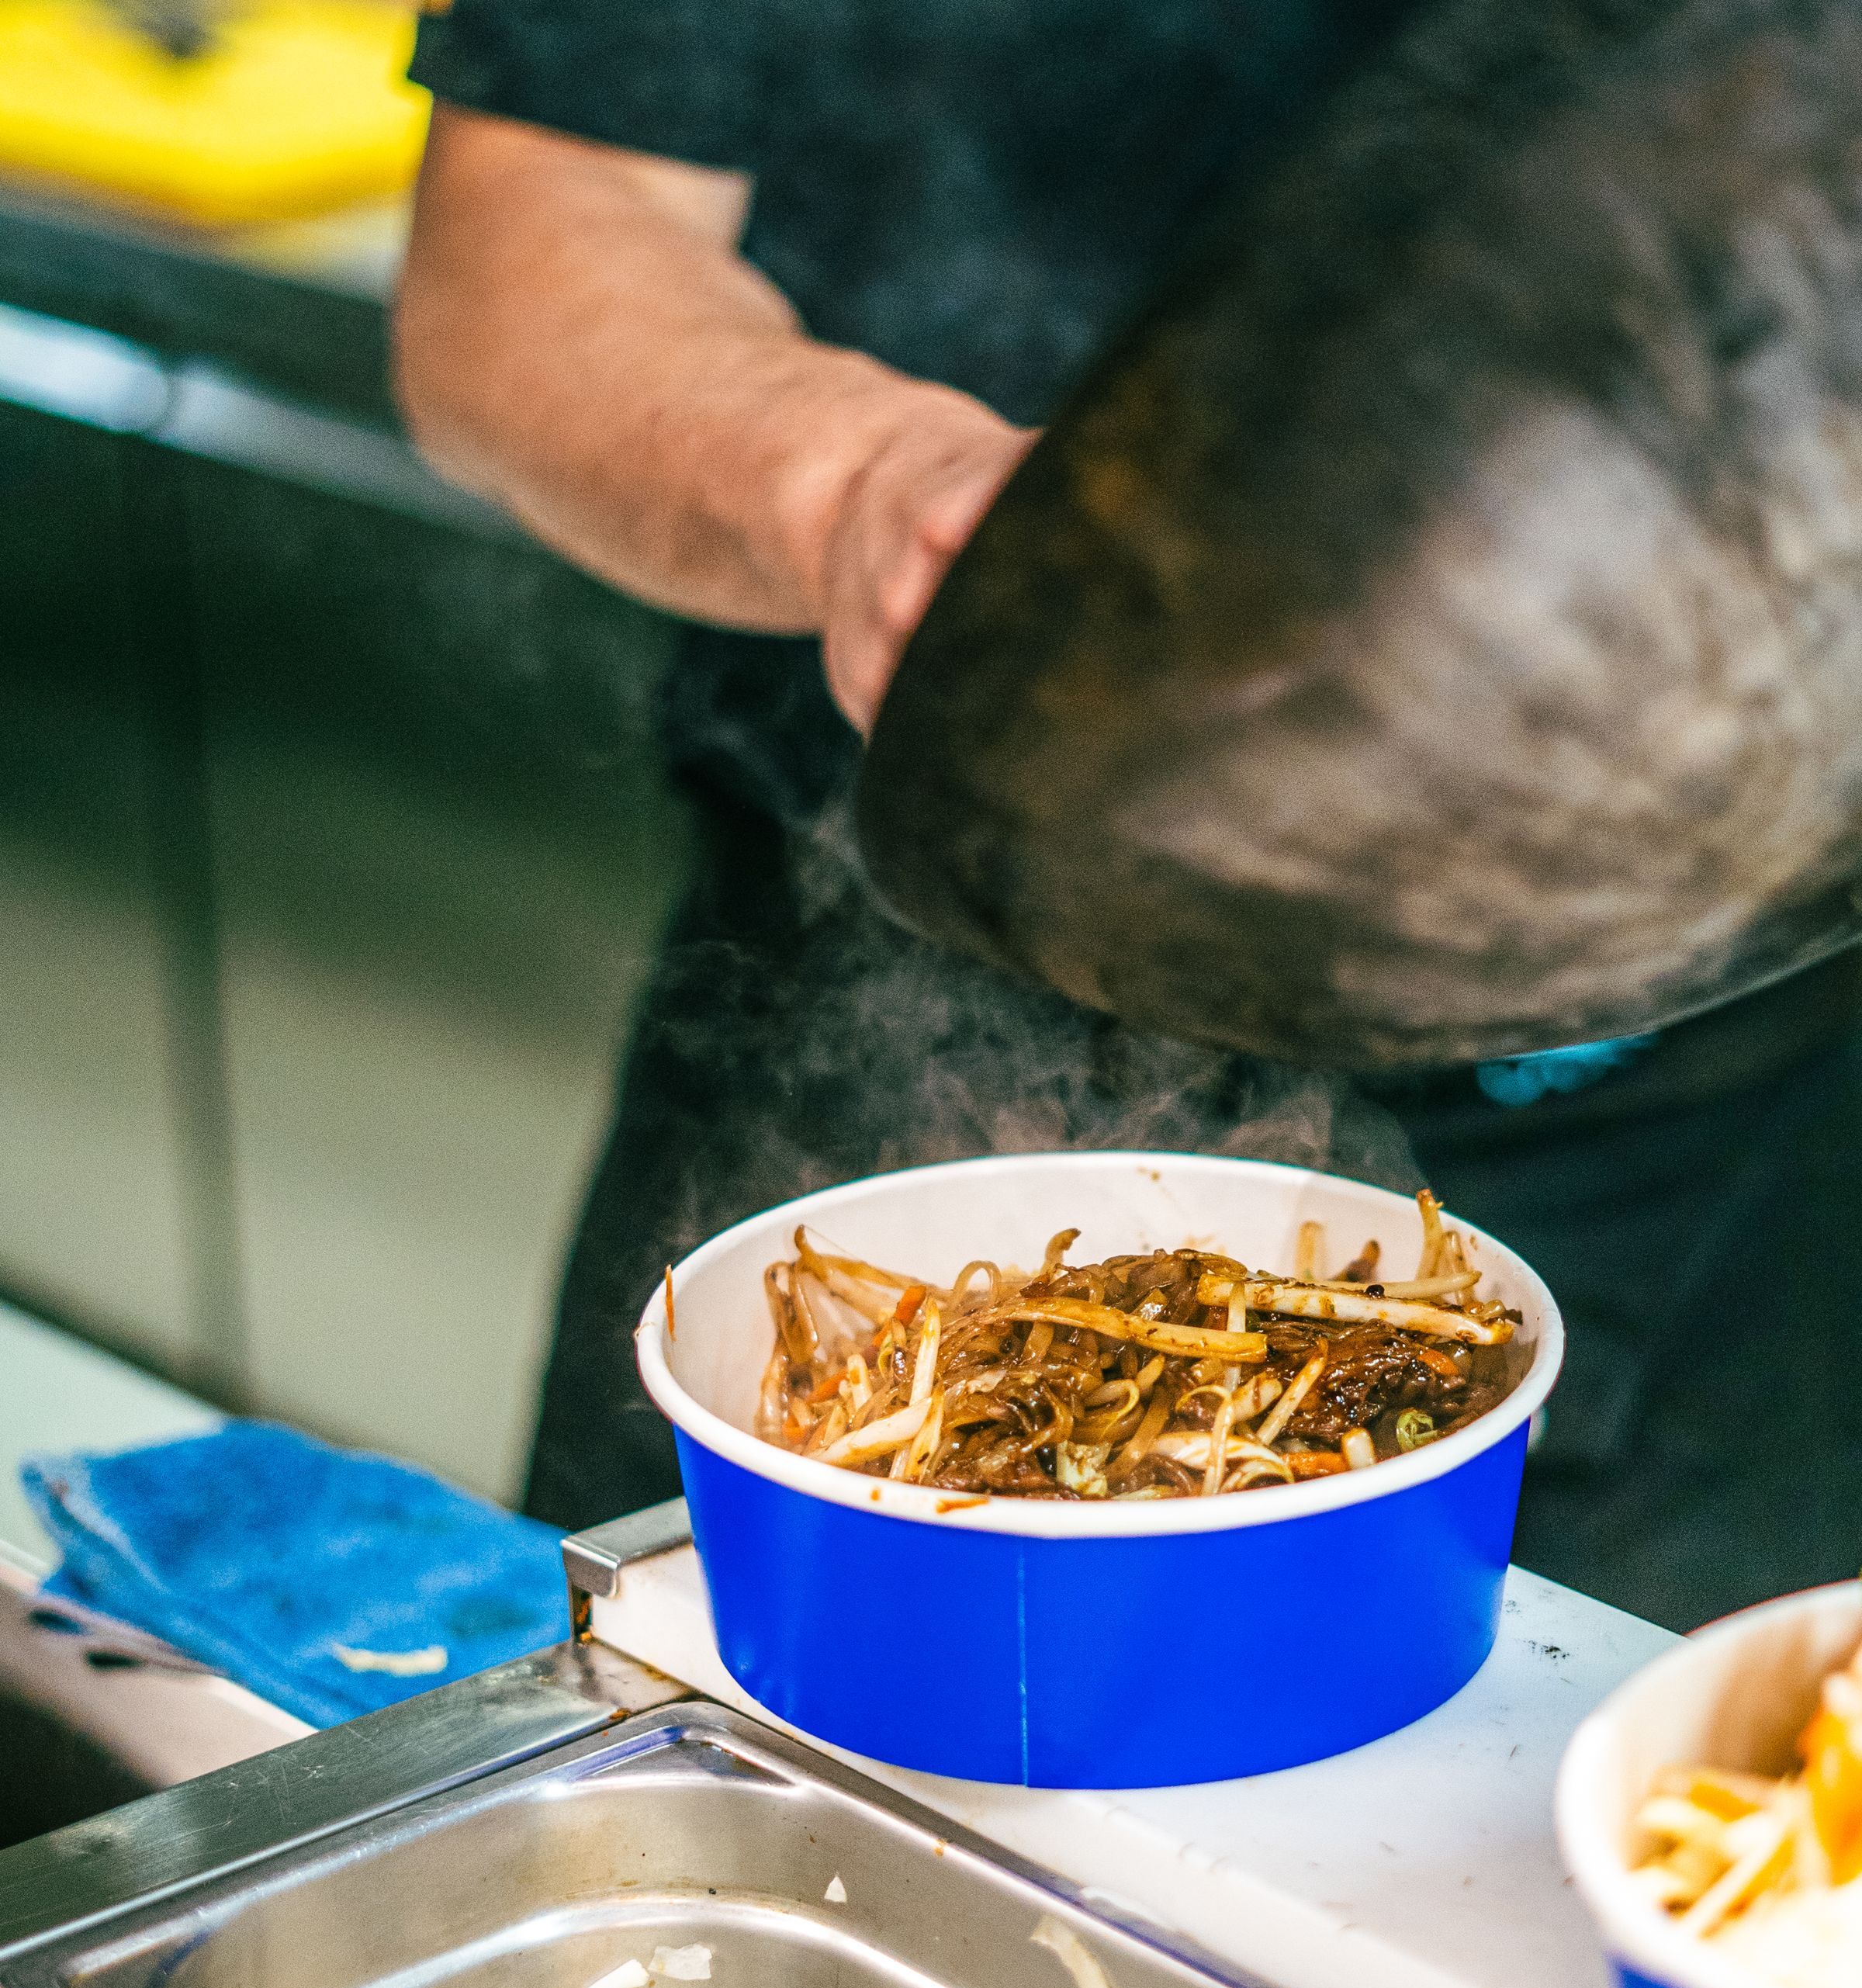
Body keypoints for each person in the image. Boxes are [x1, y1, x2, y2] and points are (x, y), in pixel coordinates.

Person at [396, 0, 1862, 1635]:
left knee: (1648, 1825)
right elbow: (523, 257)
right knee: (709, 1752)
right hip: (876, 1002)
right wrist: (858, 484)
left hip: (1698, 1098)